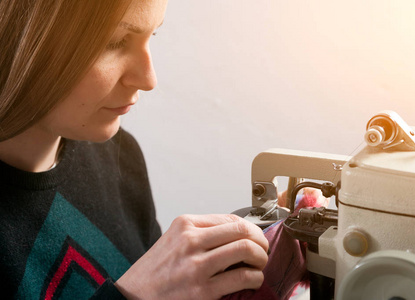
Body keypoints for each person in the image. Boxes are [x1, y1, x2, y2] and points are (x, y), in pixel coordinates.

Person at [0, 0, 272, 299]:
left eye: (151, 36)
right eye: (114, 42)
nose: (148, 80)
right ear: (20, 37)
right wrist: (133, 295)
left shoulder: (120, 156)